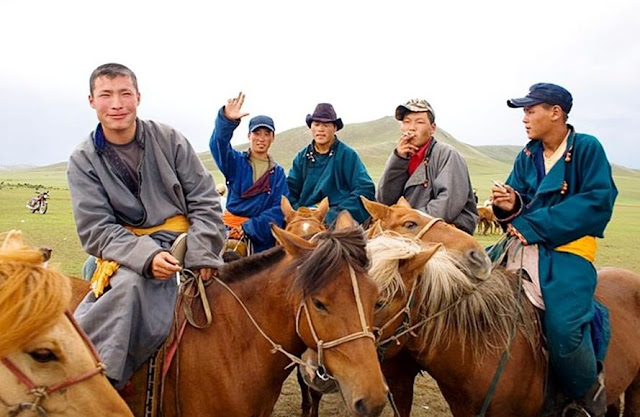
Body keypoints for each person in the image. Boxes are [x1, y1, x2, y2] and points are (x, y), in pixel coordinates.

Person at [67, 63, 225, 390]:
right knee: (129, 286)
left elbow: (204, 199)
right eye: (106, 95)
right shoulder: (82, 159)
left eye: (125, 93)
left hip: (183, 240)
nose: (117, 104)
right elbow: (96, 229)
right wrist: (147, 257)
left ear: (138, 97)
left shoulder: (169, 140)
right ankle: (97, 380)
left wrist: (203, 254)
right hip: (125, 249)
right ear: (91, 101)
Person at [492, 83, 617, 416]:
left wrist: (536, 225)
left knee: (563, 330)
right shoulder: (529, 154)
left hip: (568, 253)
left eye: (531, 111)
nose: (524, 118)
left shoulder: (587, 148)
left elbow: (597, 203)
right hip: (522, 245)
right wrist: (509, 203)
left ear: (556, 113)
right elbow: (517, 197)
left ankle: (586, 394)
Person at [376, 98, 478, 234]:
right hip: (410, 230)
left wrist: (408, 222)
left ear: (432, 128)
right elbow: (384, 200)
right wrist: (398, 160)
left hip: (446, 230)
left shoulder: (447, 154)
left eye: (419, 122)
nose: (411, 128)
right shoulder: (400, 157)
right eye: (406, 122)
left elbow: (447, 205)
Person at [209, 92, 288, 253]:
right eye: (257, 133)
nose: (261, 138)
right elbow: (219, 144)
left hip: (260, 238)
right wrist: (227, 121)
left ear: (273, 138)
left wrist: (248, 228)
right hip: (229, 231)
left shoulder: (277, 173)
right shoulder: (235, 162)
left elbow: (279, 208)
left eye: (267, 134)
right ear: (248, 136)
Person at [287, 103, 375, 226]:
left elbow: (365, 189)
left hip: (338, 215)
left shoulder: (347, 155)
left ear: (334, 128)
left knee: (346, 238)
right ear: (311, 127)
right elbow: (289, 190)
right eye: (316, 124)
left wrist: (336, 214)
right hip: (306, 217)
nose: (320, 129)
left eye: (326, 125)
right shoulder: (301, 157)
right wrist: (299, 213)